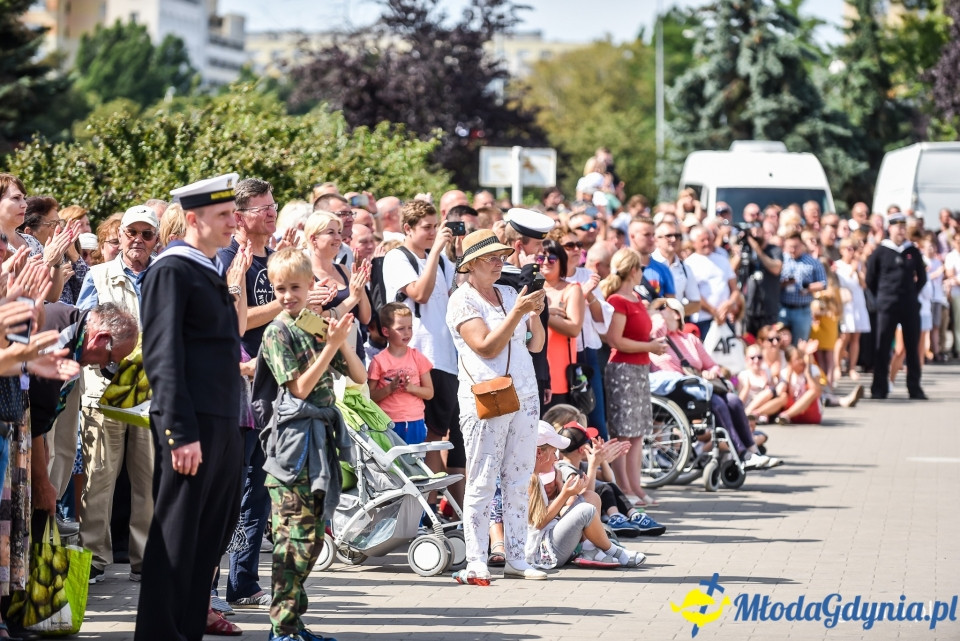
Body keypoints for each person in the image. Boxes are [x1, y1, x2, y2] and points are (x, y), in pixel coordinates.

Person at [135, 173, 245, 641]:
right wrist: (180, 431)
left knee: (207, 541)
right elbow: (163, 355)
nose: (233, 223)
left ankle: (187, 631)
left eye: (233, 213)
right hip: (192, 425)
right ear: (194, 219)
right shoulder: (172, 269)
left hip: (222, 421)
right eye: (223, 215)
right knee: (176, 541)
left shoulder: (207, 267)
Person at [260, 247, 366, 641]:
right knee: (293, 543)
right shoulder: (277, 331)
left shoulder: (315, 323)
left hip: (320, 443)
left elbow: (359, 375)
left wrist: (341, 339)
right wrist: (329, 347)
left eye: (295, 288)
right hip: (292, 447)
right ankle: (280, 629)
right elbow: (300, 389)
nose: (288, 296)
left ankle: (293, 623)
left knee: (315, 536)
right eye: (280, 288)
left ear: (310, 287)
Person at [446, 229, 546, 582]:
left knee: (519, 478)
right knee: (483, 480)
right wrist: (519, 312)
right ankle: (476, 560)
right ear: (470, 264)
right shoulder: (462, 299)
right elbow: (486, 347)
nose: (498, 262)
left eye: (501, 256)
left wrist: (533, 310)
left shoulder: (507, 291)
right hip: (486, 398)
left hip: (525, 394)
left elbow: (536, 346)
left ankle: (518, 556)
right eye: (490, 258)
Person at [75, 204, 160, 585]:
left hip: (151, 390)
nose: (138, 241)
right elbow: (83, 325)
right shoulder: (98, 273)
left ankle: (144, 558)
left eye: (146, 234)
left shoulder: (163, 274)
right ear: (120, 234)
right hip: (104, 386)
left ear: (156, 239)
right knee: (99, 477)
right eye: (132, 233)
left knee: (148, 478)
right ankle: (94, 555)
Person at [383, 200, 464, 506]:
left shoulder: (441, 260)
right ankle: (421, 510)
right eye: (426, 228)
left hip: (445, 357)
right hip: (416, 356)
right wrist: (435, 256)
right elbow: (420, 293)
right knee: (423, 437)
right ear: (408, 228)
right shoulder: (397, 257)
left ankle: (438, 509)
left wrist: (450, 256)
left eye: (436, 226)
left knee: (440, 437)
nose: (433, 233)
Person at [649, 297, 779, 469]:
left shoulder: (690, 340)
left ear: (677, 314)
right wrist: (658, 313)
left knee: (733, 400)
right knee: (716, 402)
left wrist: (711, 372)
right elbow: (654, 329)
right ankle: (742, 453)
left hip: (698, 387)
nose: (660, 311)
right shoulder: (657, 338)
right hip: (674, 389)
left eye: (664, 308)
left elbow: (712, 364)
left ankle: (753, 451)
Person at [526, 422, 644, 569]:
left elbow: (561, 508)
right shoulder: (529, 479)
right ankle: (615, 551)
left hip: (552, 538)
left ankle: (589, 550)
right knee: (585, 510)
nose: (556, 459)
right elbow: (539, 522)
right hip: (543, 551)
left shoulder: (540, 474)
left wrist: (563, 490)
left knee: (591, 496)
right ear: (539, 453)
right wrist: (564, 494)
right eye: (553, 453)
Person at [599, 248, 666, 507]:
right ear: (634, 270)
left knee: (637, 432)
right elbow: (616, 340)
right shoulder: (619, 300)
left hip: (638, 369)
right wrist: (650, 347)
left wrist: (650, 345)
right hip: (623, 369)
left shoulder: (636, 299)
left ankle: (635, 486)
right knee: (624, 433)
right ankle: (624, 487)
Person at [866, 211, 927, 400]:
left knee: (912, 347)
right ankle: (879, 388)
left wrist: (911, 293)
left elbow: (922, 278)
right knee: (882, 347)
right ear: (889, 228)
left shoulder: (912, 251)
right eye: (897, 227)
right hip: (887, 305)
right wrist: (883, 296)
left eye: (903, 227)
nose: (901, 230)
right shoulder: (881, 251)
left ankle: (914, 387)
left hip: (908, 305)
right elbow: (870, 279)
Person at [368, 303, 434, 445]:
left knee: (415, 464)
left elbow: (429, 393)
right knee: (392, 466)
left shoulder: (418, 357)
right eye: (401, 329)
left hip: (415, 421)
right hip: (387, 422)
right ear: (386, 332)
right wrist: (389, 388)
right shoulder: (378, 361)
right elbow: (369, 396)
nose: (407, 333)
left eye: (410, 327)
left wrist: (412, 388)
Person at [541, 239, 585, 409]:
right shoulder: (531, 289)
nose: (545, 262)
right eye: (540, 258)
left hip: (560, 377)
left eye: (551, 258)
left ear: (561, 261)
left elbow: (574, 328)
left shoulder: (572, 289)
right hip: (534, 374)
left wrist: (542, 313)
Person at [779, 230, 827, 341]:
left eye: (795, 246)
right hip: (783, 308)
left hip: (802, 310)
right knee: (780, 344)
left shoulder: (812, 262)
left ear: (801, 245)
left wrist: (807, 288)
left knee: (799, 346)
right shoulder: (782, 259)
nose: (793, 250)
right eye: (790, 246)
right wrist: (784, 283)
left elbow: (823, 283)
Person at [834, 238, 870, 380]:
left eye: (853, 249)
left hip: (858, 303)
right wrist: (852, 270)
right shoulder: (837, 265)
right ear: (842, 250)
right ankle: (837, 366)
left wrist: (858, 270)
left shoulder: (859, 265)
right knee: (843, 337)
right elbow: (840, 282)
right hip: (845, 304)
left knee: (856, 338)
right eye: (848, 249)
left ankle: (852, 368)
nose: (851, 252)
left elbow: (863, 284)